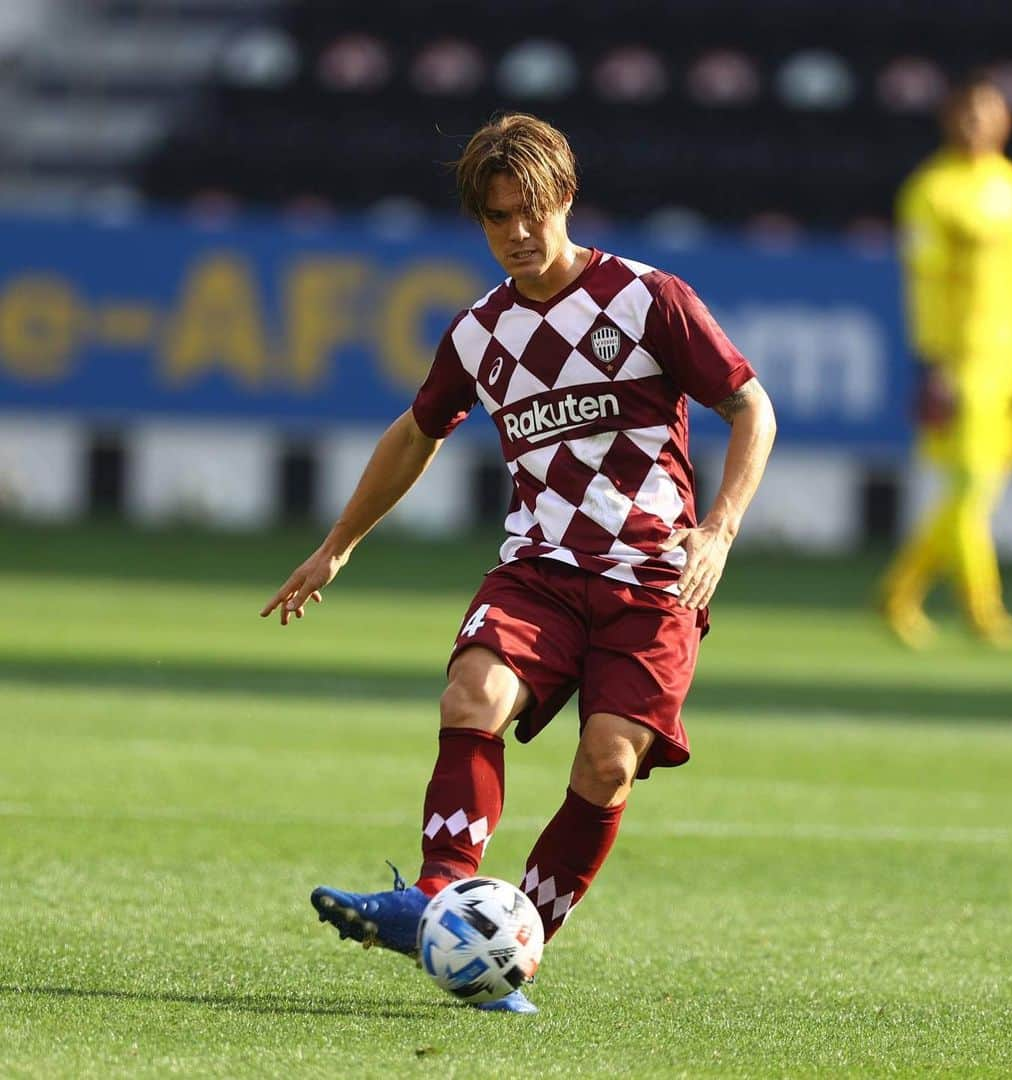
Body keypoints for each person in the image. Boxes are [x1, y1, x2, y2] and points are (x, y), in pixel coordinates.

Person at [261, 113, 776, 1013]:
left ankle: (505, 948)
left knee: (609, 765)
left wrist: (720, 530)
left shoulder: (648, 297)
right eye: (496, 218)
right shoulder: (480, 332)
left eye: (529, 211)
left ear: (565, 198)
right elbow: (415, 433)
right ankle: (433, 899)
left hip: (652, 582)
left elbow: (752, 409)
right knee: (473, 694)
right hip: (539, 568)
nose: (516, 234)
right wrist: (337, 545)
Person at [879, 73, 1012, 649]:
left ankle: (900, 591)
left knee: (976, 488)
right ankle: (983, 609)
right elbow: (924, 284)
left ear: (1006, 120)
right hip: (962, 357)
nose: (978, 124)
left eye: (989, 113)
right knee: (970, 484)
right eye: (968, 113)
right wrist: (936, 363)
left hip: (1011, 355)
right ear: (950, 120)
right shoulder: (932, 191)